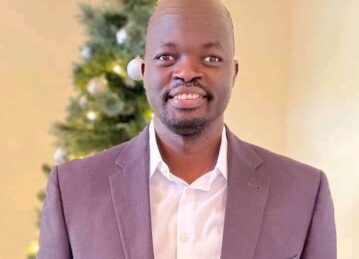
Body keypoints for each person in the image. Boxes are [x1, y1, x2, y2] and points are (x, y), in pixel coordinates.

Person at [37, 0, 336, 258]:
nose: (187, 72)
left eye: (210, 58)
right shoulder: (73, 191)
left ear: (232, 73)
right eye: (166, 57)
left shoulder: (304, 193)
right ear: (143, 71)